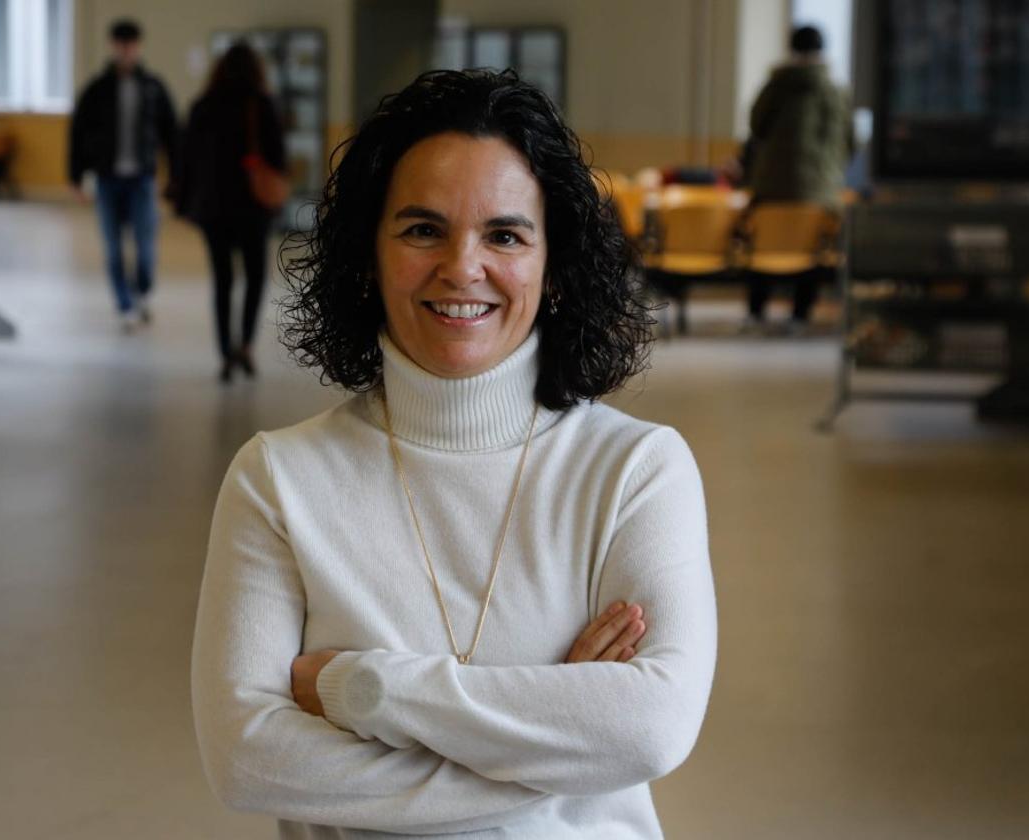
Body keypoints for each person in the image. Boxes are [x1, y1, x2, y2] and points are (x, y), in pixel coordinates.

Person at [191, 69, 717, 838]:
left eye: (504, 234)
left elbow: (650, 729)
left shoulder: (636, 471)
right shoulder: (279, 480)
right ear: (368, 254)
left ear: (553, 263)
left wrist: (365, 690)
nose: (462, 268)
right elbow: (247, 760)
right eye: (422, 229)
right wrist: (555, 745)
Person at [173, 42, 287, 383]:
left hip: (213, 208)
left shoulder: (202, 106)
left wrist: (184, 204)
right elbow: (279, 158)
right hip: (253, 209)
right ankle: (247, 346)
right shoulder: (262, 106)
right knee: (254, 277)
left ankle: (225, 351)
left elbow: (185, 160)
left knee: (222, 280)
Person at [68, 19, 178, 332]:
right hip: (107, 181)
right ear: (112, 46)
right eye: (120, 44)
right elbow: (78, 134)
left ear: (138, 47)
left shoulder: (153, 87)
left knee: (145, 248)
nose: (125, 50)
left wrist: (176, 176)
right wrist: (75, 177)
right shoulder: (97, 89)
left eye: (130, 44)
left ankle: (141, 292)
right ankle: (125, 305)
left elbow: (172, 133)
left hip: (142, 180)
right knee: (113, 248)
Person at [744, 25, 854, 331]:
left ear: (791, 48)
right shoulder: (837, 91)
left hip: (772, 187)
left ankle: (756, 312)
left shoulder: (777, 85)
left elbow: (756, 125)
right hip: (820, 192)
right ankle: (800, 315)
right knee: (812, 250)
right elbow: (850, 140)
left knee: (762, 245)